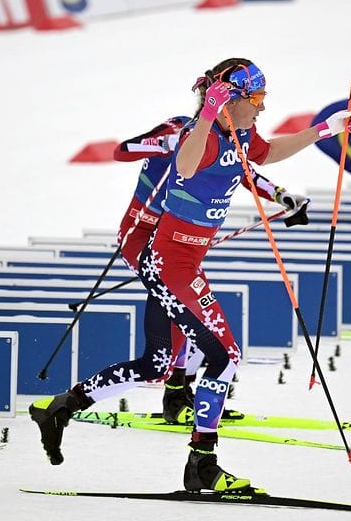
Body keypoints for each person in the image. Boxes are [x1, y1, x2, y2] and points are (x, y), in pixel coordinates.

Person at [30, 58, 351, 492]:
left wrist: (325, 130)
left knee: (158, 364)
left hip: (182, 263)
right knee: (224, 356)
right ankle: (201, 462)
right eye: (256, 98)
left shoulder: (240, 135)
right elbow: (180, 164)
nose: (262, 106)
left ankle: (61, 408)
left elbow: (267, 154)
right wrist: (200, 118)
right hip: (167, 262)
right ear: (229, 100)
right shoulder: (196, 136)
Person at [112, 116, 308, 424]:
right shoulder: (177, 128)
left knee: (192, 315)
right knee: (183, 312)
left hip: (173, 240)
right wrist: (166, 144)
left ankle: (184, 392)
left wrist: (278, 193)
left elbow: (244, 172)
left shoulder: (222, 138)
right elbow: (122, 151)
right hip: (141, 237)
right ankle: (175, 394)